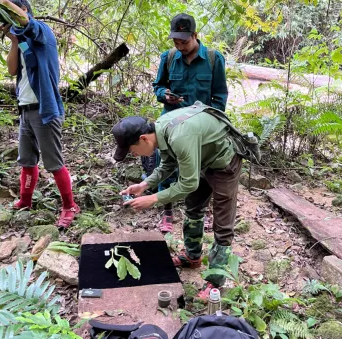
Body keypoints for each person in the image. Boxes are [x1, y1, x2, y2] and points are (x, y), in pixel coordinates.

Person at [112, 103, 240, 299]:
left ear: (143, 138)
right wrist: (144, 185)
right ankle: (192, 256)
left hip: (224, 161)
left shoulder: (179, 136)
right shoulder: (161, 132)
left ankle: (215, 281)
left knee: (222, 225)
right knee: (193, 209)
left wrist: (153, 198)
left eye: (132, 151)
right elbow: (168, 164)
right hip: (201, 159)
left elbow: (188, 183)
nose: (134, 155)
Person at [144, 13, 228, 233]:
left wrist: (209, 123)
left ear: (195, 35)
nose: (179, 46)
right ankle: (167, 212)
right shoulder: (169, 57)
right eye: (176, 41)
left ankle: (196, 211)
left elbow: (219, 97)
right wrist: (165, 95)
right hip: (170, 125)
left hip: (197, 129)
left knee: (198, 171)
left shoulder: (213, 59)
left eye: (184, 41)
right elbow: (158, 86)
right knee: (166, 166)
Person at [0, 0, 79, 227]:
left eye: (12, 13)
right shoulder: (22, 39)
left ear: (24, 11)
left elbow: (29, 25)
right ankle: (25, 201)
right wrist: (14, 40)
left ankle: (69, 205)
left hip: (45, 109)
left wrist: (13, 13)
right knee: (27, 161)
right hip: (25, 109)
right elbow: (13, 69)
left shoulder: (41, 31)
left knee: (53, 163)